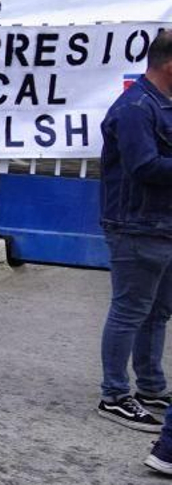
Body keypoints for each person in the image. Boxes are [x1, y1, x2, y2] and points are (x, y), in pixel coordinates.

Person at [96, 29, 172, 438]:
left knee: (157, 312)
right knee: (129, 311)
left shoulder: (160, 104)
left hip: (161, 225)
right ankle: (114, 394)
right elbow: (143, 166)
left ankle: (151, 386)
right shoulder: (136, 108)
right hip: (136, 224)